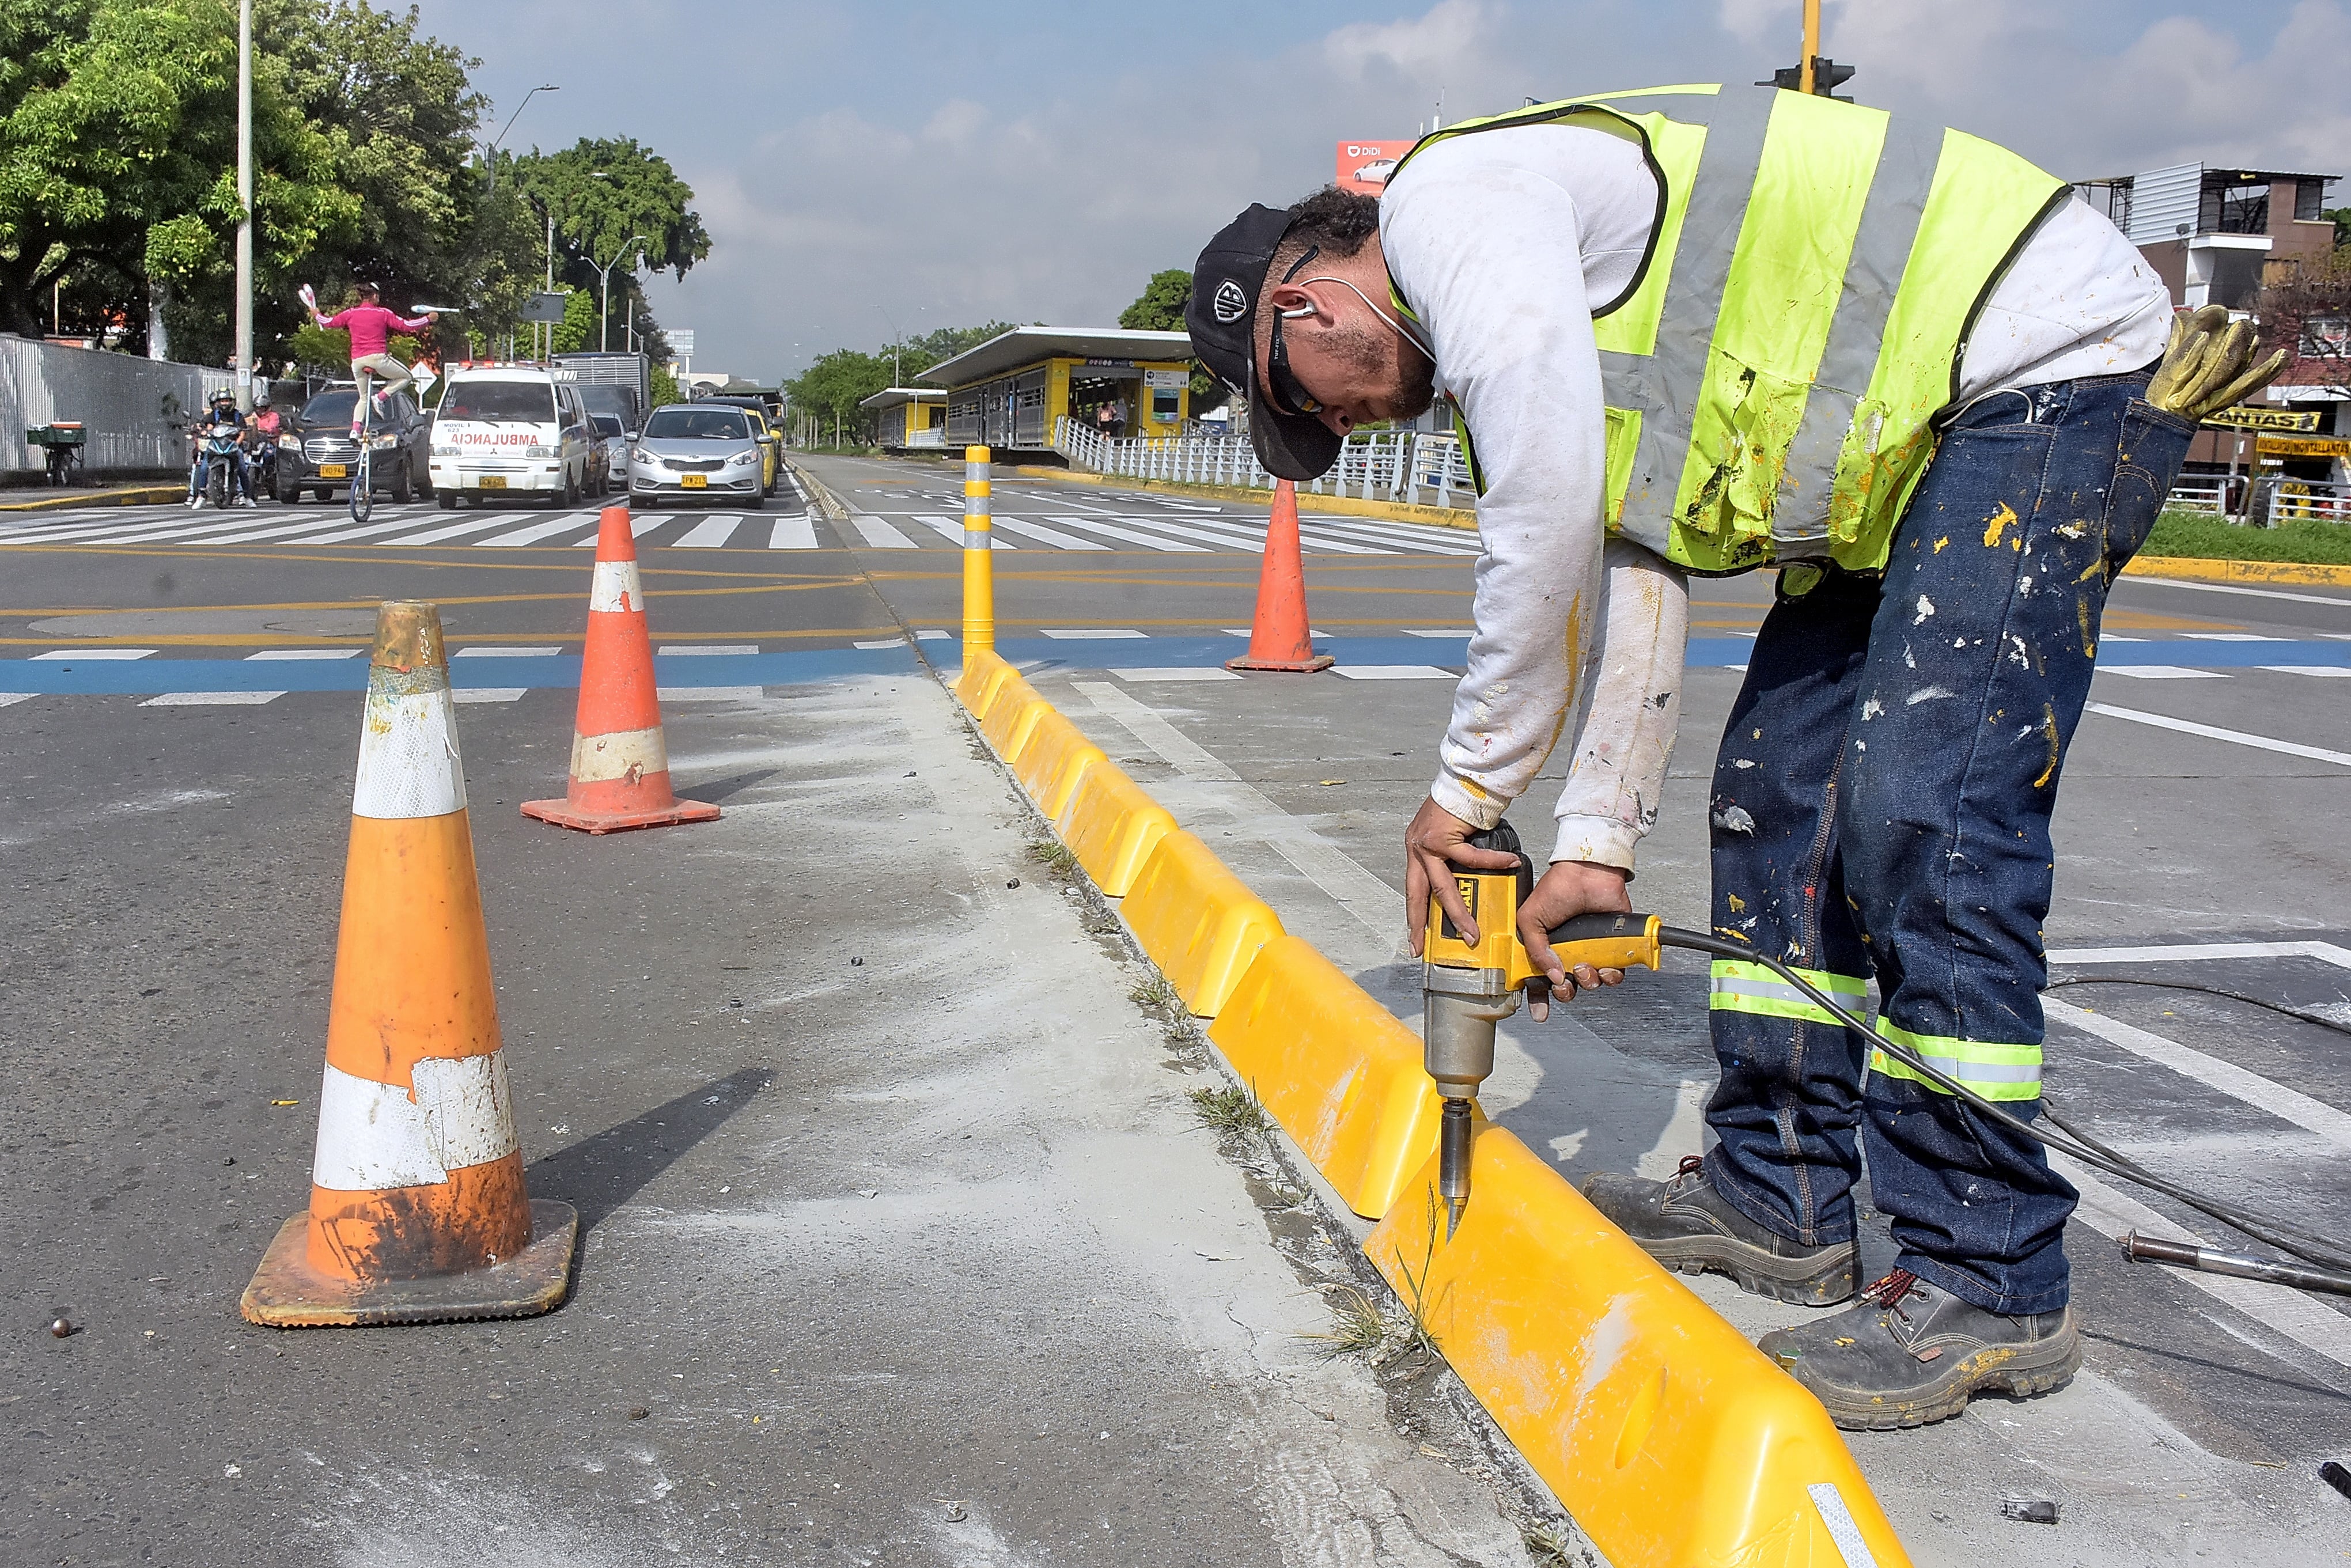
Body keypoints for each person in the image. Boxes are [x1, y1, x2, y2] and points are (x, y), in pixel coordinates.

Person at [1184, 84, 2280, 1430]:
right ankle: (1786, 1188)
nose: (1350, 431)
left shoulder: (1447, 211)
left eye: (1318, 408)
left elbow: (1541, 511)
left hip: (2034, 362)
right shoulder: (1515, 283)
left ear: (1307, 307)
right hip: (1902, 452)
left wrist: (1468, 786)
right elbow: (1632, 558)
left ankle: (1993, 1269)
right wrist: (1591, 844)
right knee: (1775, 800)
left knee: (1923, 807)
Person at [303, 282, 437, 436]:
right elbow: (407, 325)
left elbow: (328, 323)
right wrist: (427, 319)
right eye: (378, 296)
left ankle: (355, 429)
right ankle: (380, 398)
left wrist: (317, 314)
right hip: (377, 358)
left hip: (357, 361)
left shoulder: (351, 313)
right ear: (374, 296)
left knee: (363, 398)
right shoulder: (383, 313)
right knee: (407, 377)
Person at [185, 389, 256, 508]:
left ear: (232, 402)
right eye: (222, 401)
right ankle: (201, 496)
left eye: (227, 401)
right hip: (215, 445)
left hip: (232, 445)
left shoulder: (237, 415)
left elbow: (243, 433)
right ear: (218, 402)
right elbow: (208, 427)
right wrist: (203, 431)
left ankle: (248, 497)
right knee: (203, 467)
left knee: (243, 469)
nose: (225, 403)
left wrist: (236, 444)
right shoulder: (214, 415)